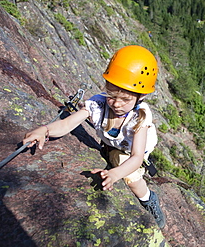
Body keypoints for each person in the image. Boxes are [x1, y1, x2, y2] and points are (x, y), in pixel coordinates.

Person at [23, 45, 166, 228]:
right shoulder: (98, 104)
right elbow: (68, 124)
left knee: (132, 179)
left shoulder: (139, 117)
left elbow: (137, 157)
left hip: (131, 150)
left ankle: (149, 200)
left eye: (126, 100)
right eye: (112, 96)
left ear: (141, 97)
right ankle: (110, 152)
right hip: (112, 142)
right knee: (113, 154)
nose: (117, 104)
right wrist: (44, 130)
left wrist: (116, 174)